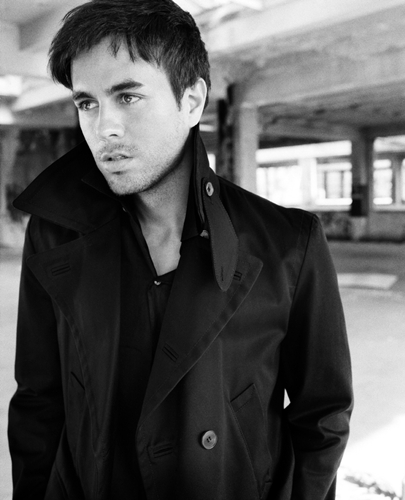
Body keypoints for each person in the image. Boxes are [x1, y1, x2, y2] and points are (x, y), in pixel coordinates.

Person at [8, 0, 353, 499]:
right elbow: (39, 402)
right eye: (87, 103)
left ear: (191, 101)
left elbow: (322, 415)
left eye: (128, 96)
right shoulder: (56, 235)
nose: (104, 127)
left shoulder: (287, 243)